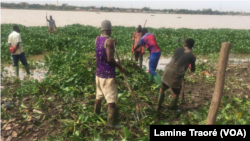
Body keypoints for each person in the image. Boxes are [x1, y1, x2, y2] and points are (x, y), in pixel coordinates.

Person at [93, 20, 125, 128]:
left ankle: (96, 115)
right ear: (110, 29)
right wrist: (120, 67)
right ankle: (111, 123)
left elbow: (104, 49)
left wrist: (113, 45)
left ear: (102, 29)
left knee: (99, 95)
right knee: (111, 99)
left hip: (98, 74)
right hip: (108, 76)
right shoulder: (109, 41)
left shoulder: (97, 39)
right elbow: (110, 59)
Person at [157, 39, 196, 111]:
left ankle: (158, 107)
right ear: (192, 46)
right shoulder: (192, 57)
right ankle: (172, 109)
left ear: (185, 43)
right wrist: (189, 65)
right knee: (176, 92)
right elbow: (193, 69)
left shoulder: (178, 49)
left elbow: (179, 58)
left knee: (162, 88)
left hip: (167, 70)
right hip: (176, 74)